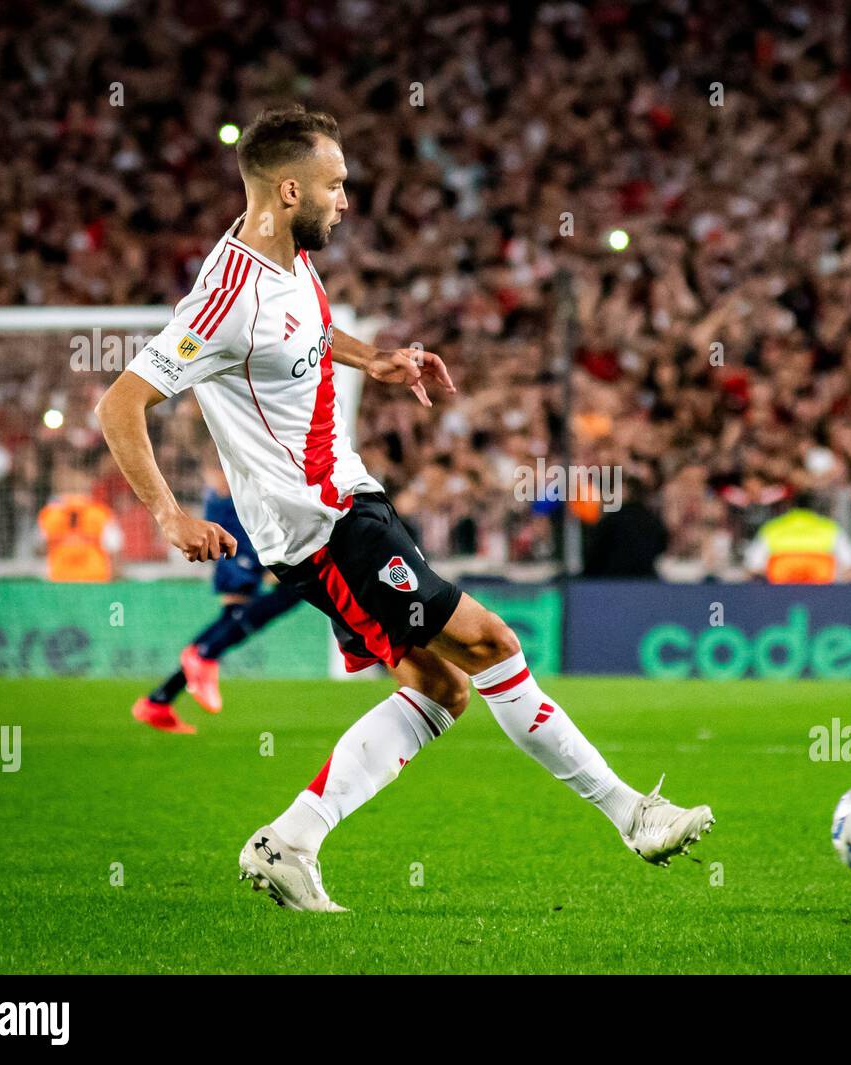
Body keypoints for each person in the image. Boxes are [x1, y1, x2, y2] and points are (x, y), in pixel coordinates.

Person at [95, 106, 713, 912]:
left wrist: (374, 358)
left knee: (442, 690)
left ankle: (291, 840)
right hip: (324, 525)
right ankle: (632, 813)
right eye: (335, 184)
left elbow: (309, 330)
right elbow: (121, 404)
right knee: (490, 640)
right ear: (289, 189)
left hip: (345, 502)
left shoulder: (286, 257)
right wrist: (169, 514)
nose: (347, 198)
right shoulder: (226, 298)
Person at [131, 464, 304, 734]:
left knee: (233, 616)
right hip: (235, 522)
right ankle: (203, 655)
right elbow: (218, 475)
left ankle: (160, 699)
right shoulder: (228, 447)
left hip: (240, 520)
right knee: (295, 589)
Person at [745, 495, 851, 584]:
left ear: (789, 507)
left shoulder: (772, 528)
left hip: (778, 593)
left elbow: (752, 566)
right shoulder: (830, 528)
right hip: (824, 593)